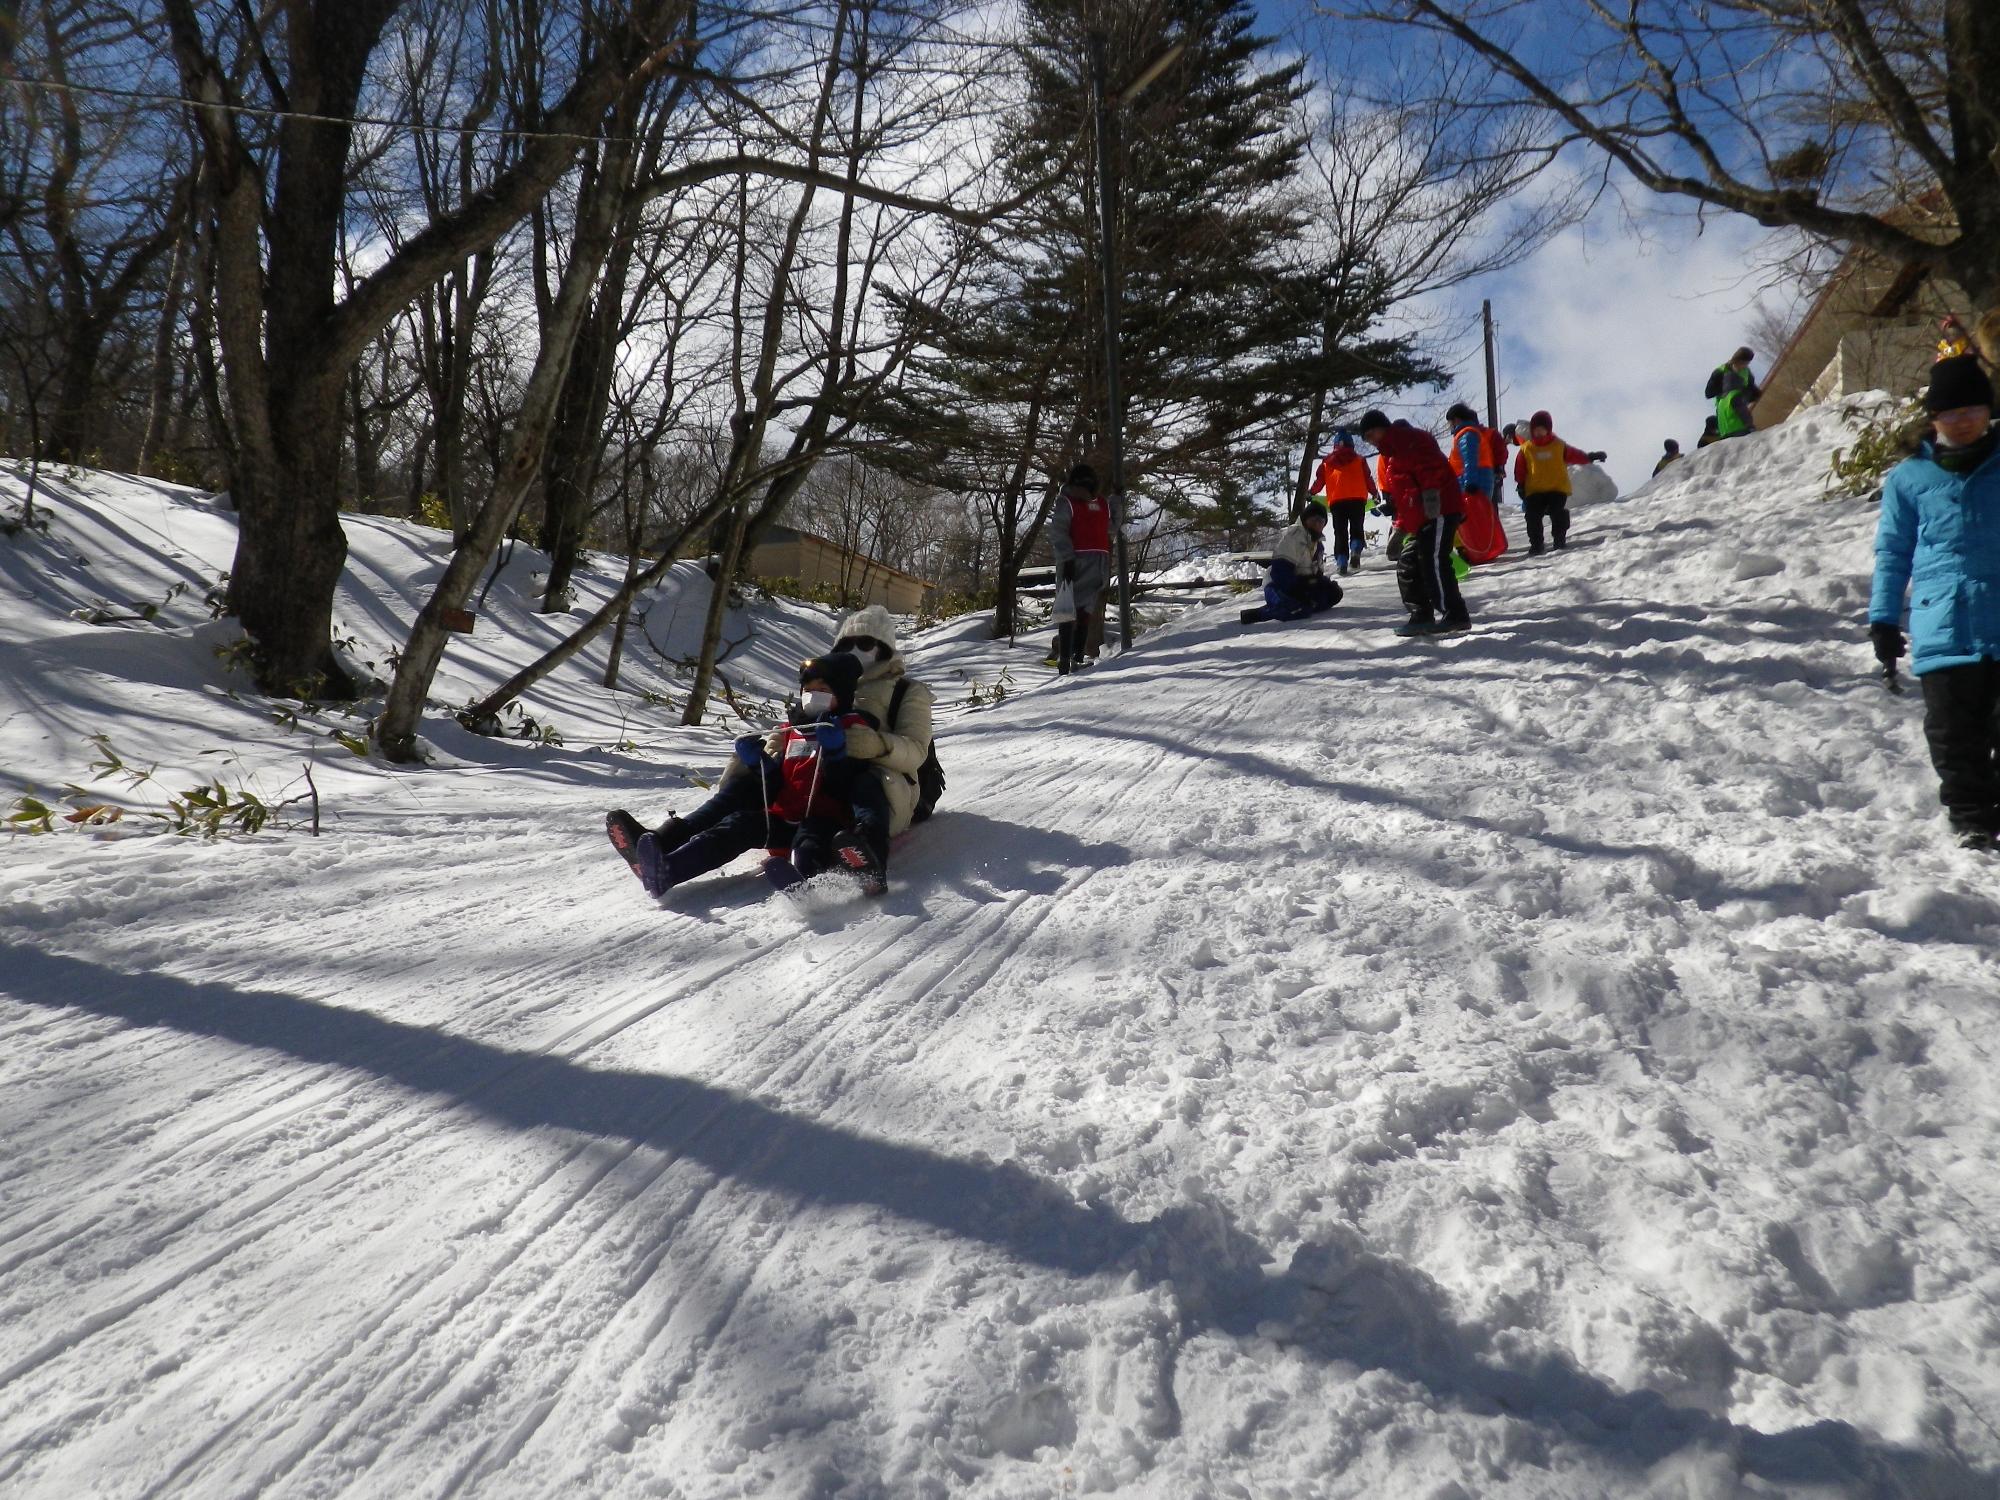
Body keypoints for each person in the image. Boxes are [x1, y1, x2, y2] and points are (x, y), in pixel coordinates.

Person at [608, 605, 935, 897]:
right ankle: (665, 850)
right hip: (798, 797)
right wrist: (759, 759)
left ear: (884, 649)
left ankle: (864, 852)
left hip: (870, 787)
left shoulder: (905, 692)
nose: (854, 651)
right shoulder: (812, 701)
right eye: (846, 644)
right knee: (745, 795)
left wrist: (874, 745)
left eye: (864, 644)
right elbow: (784, 750)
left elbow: (916, 749)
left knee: (844, 804)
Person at [1869, 354, 2000, 852]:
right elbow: (1893, 551)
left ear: (1988, 411)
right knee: (1952, 733)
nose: (1964, 421)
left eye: (1973, 410)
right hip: (1943, 622)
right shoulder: (1909, 479)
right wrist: (1882, 617)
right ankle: (1970, 819)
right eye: (1951, 414)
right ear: (1933, 420)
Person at [1358, 410, 1470, 636]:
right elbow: (1405, 497)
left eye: (1372, 434)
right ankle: (1420, 614)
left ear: (1383, 427)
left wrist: (1430, 495)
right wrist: (1399, 527)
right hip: (1421, 519)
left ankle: (1454, 613)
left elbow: (1429, 467)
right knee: (1408, 562)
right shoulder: (1391, 458)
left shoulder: (1408, 439)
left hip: (1439, 507)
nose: (1371, 440)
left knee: (1434, 559)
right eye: (1367, 438)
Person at [1049, 462, 1113, 674]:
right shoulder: (1066, 502)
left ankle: (1077, 656)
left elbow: (1111, 527)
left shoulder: (1102, 503)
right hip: (1074, 562)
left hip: (1098, 563)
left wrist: (1118, 502)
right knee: (1068, 611)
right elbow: (1059, 532)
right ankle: (1066, 660)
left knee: (1085, 611)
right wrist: (1067, 560)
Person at [1511, 410, 1605, 555]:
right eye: (1536, 430)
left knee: (1557, 513)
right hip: (1535, 490)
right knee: (1532, 516)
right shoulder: (1526, 449)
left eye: (1542, 430)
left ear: (1548, 430)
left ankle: (1559, 540)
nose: (1538, 433)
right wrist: (1521, 485)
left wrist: (1590, 457)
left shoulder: (1558, 446)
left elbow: (1575, 455)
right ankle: (1537, 544)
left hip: (1557, 489)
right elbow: (1520, 469)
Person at [1241, 499, 1343, 623]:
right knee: (1299, 609)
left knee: (1332, 595)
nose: (1317, 524)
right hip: (1278, 586)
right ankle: (1259, 614)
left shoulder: (1317, 545)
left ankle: (1293, 605)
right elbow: (1280, 571)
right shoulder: (1294, 537)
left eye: (1320, 521)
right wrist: (1296, 590)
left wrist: (1325, 585)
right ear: (1305, 520)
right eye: (1313, 520)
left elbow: (1316, 574)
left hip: (1302, 585)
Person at [1444, 401, 1508, 563]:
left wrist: (1469, 482)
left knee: (1468, 520)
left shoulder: (1466, 434)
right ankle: (1480, 550)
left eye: (1450, 422)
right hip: (1478, 479)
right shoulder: (1471, 433)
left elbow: (1469, 460)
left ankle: (1474, 551)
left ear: (1456, 420)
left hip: (1472, 481)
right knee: (1478, 518)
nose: (1450, 426)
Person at [1313, 430, 1379, 575]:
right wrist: (1374, 493)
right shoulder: (1360, 460)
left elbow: (1320, 481)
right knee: (1357, 527)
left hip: (1337, 501)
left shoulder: (1327, 462)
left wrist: (1311, 492)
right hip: (1357, 500)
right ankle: (1355, 549)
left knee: (1340, 532)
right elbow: (1368, 479)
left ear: (1335, 445)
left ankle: (1342, 561)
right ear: (1351, 444)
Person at [1705, 347, 1761, 439]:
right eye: (1742, 363)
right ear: (1736, 360)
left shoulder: (1746, 372)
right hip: (1726, 410)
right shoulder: (1720, 371)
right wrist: (1728, 388)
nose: (1744, 366)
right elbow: (1708, 393)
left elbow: (1752, 389)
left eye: (1747, 363)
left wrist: (1750, 394)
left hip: (1740, 411)